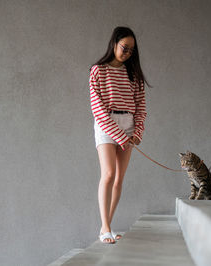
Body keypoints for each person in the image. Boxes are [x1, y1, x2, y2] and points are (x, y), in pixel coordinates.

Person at [89, 26, 150, 244]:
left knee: (118, 179)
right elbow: (98, 109)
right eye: (124, 47)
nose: (127, 53)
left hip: (128, 124)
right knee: (108, 174)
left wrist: (137, 133)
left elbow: (141, 108)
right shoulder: (98, 70)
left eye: (131, 50)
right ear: (114, 43)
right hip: (106, 123)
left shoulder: (134, 75)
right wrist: (121, 135)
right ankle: (105, 228)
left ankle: (107, 226)